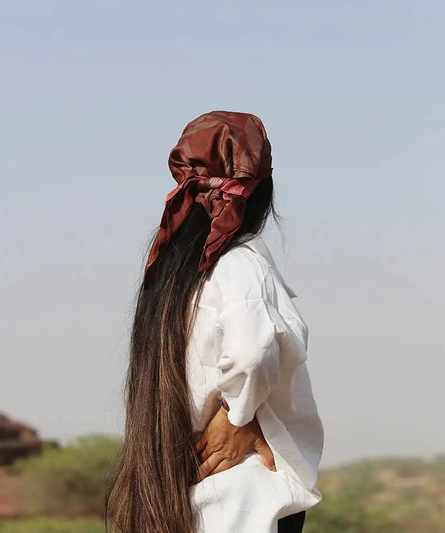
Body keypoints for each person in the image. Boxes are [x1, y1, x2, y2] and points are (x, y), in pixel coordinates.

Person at [105, 111, 324, 533]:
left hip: (186, 498)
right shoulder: (241, 265)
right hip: (244, 493)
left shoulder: (168, 283)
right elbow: (254, 350)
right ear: (262, 193)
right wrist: (236, 414)